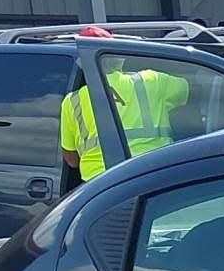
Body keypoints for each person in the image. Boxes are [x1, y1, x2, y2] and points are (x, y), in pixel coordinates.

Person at [60, 33, 193, 185]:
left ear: (82, 65)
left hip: (99, 185)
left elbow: (71, 160)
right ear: (119, 58)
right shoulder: (152, 81)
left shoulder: (72, 101)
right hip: (153, 171)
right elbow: (194, 88)